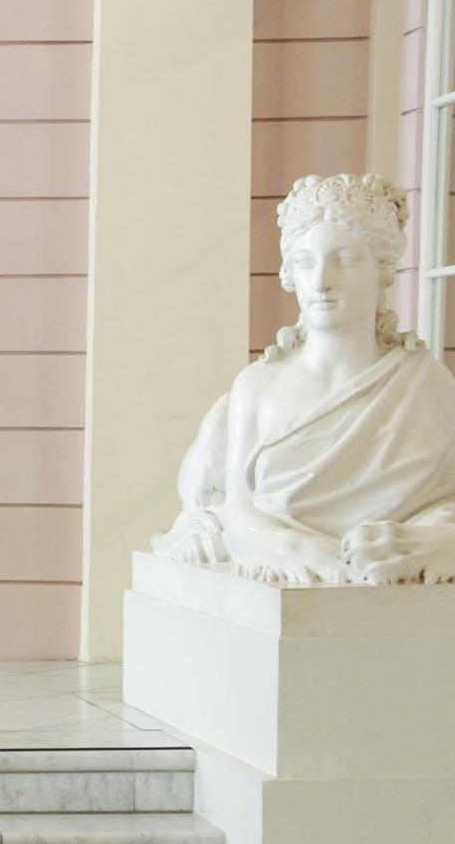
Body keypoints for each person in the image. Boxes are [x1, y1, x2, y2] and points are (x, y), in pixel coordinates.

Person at [153, 173, 455, 585]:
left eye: (345, 260)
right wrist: (291, 546)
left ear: (382, 269)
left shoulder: (424, 384)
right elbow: (238, 510)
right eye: (305, 261)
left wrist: (435, 541)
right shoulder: (258, 387)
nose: (321, 281)